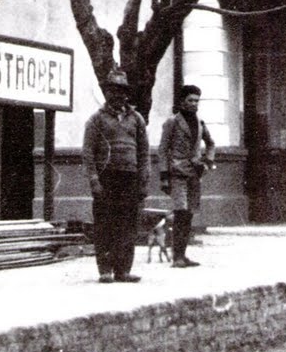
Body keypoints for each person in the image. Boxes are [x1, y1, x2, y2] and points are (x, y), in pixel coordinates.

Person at [82, 70, 148, 283]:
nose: (117, 95)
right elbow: (88, 152)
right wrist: (94, 181)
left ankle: (123, 270)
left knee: (128, 224)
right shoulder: (96, 119)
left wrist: (143, 181)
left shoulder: (136, 119)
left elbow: (144, 152)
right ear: (106, 92)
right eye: (113, 90)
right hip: (106, 179)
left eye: (121, 91)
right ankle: (105, 270)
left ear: (126, 94)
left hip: (130, 178)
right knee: (105, 224)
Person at [158, 83, 216, 268]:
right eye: (190, 100)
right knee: (180, 212)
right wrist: (164, 176)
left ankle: (183, 254)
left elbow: (211, 143)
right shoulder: (172, 122)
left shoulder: (199, 123)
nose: (194, 104)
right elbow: (162, 150)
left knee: (189, 213)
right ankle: (177, 257)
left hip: (194, 173)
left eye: (197, 101)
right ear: (182, 102)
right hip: (177, 173)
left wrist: (207, 162)